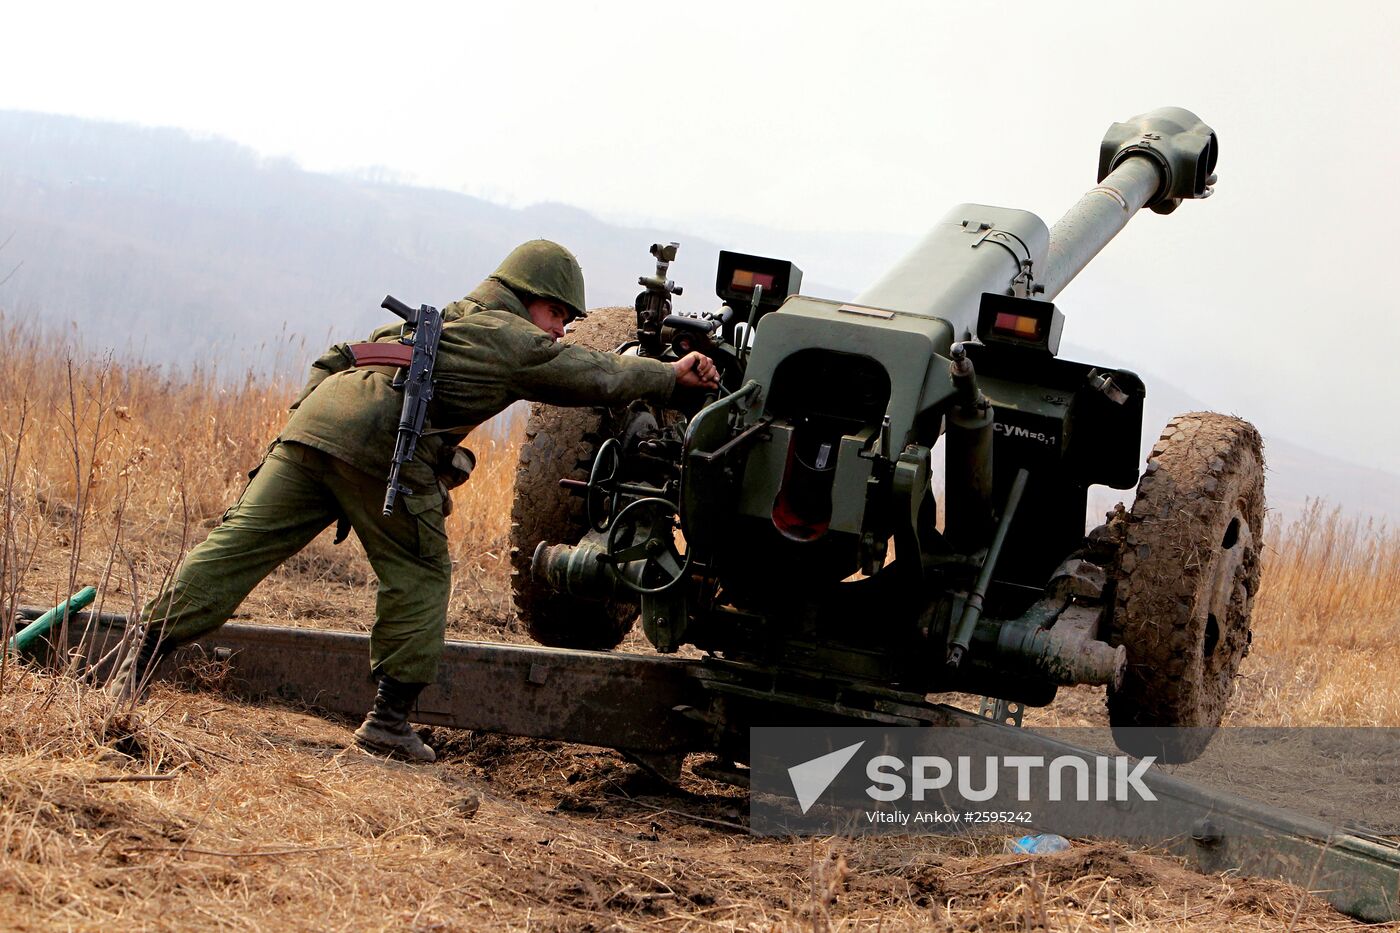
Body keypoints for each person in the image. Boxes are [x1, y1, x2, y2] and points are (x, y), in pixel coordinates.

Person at [108, 239, 719, 762]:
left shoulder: (441, 317)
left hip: (312, 427)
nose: (561, 329)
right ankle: (390, 724)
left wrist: (307, 429)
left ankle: (129, 663)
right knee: (420, 574)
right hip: (379, 445)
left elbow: (338, 357)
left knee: (234, 548)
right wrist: (670, 377)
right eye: (559, 315)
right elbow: (596, 375)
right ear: (531, 297)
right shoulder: (509, 338)